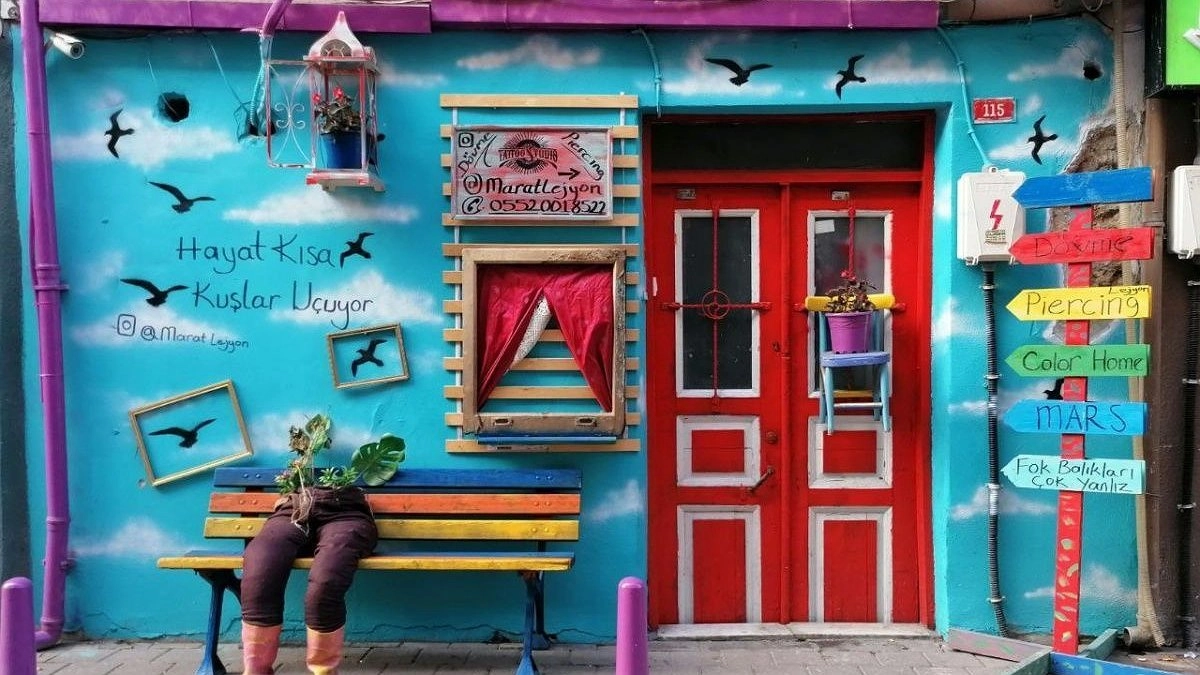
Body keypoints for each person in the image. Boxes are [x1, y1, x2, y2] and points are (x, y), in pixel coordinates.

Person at [239, 416, 380, 675]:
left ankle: (323, 670)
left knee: (325, 582)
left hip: (346, 512)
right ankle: (256, 669)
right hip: (296, 507)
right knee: (259, 570)